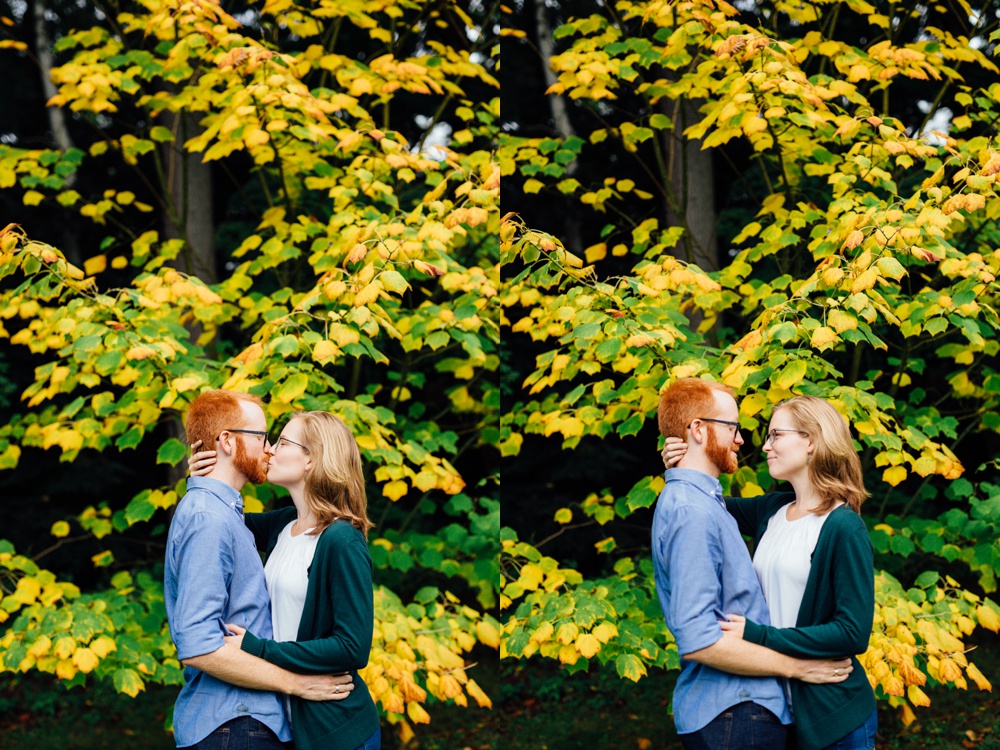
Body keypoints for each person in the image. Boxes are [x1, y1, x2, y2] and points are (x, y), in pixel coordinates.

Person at [662, 392, 877, 750]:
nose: (765, 446)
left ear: (811, 441)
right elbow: (699, 505)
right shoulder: (773, 509)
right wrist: (681, 463)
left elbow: (852, 633)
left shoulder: (843, 527)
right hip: (780, 709)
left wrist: (758, 635)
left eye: (776, 435)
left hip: (834, 712)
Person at [165, 390, 354, 750]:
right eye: (262, 437)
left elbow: (316, 513)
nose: (269, 449)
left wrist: (200, 480)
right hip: (235, 723)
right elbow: (197, 645)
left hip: (245, 723)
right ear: (227, 442)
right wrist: (295, 683)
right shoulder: (209, 519)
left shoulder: (224, 516)